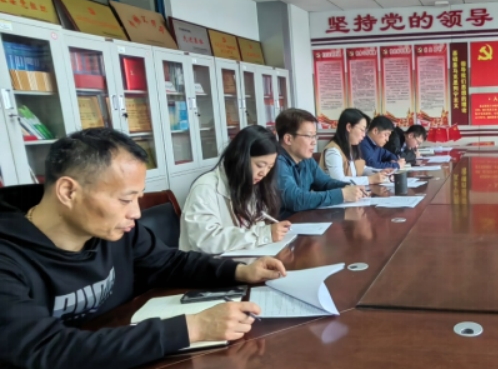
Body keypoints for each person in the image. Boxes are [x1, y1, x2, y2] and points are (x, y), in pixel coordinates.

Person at [0, 128, 287, 369]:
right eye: (126, 200)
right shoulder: (8, 257)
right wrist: (192, 328)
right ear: (68, 191)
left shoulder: (118, 230)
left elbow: (170, 263)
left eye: (138, 198)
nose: (136, 213)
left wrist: (239, 271)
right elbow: (45, 348)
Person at [180, 125, 292, 255]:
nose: (264, 173)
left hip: (239, 260)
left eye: (269, 167)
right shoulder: (205, 188)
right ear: (240, 158)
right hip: (208, 264)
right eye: (260, 165)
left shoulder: (250, 184)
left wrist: (267, 232)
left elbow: (254, 228)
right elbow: (205, 240)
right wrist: (263, 235)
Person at [275, 108, 366, 217]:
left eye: (315, 136)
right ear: (288, 139)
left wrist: (349, 186)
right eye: (309, 136)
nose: (314, 142)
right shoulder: (277, 163)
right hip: (286, 224)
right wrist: (342, 194)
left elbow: (325, 183)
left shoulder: (306, 159)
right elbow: (296, 200)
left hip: (304, 219)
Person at [320, 108, 391, 185]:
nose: (364, 135)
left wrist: (379, 171)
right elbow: (339, 180)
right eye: (362, 130)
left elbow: (361, 168)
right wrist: (369, 180)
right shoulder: (333, 151)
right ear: (349, 127)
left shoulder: (351, 147)